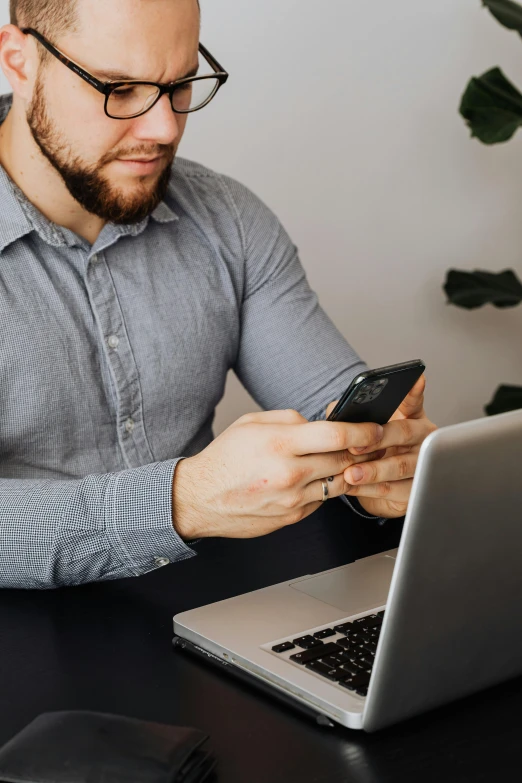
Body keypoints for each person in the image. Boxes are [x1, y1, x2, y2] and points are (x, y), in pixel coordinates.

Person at [0, 0, 436, 590]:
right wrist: (182, 502)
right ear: (18, 60)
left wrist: (380, 470)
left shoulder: (228, 219)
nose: (165, 128)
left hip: (202, 616)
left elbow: (333, 411)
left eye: (180, 85)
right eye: (121, 88)